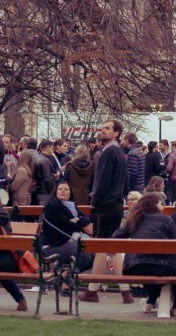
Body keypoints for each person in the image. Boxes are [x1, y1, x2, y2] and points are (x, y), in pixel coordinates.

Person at [79, 120, 133, 304]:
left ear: (117, 133)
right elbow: (125, 180)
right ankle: (125, 291)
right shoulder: (119, 151)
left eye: (107, 128)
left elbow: (101, 180)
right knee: (114, 249)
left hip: (105, 205)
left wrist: (94, 201)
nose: (103, 130)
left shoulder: (109, 152)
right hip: (116, 204)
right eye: (103, 128)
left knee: (101, 248)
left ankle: (92, 290)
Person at [113, 193, 176, 312]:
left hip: (136, 268)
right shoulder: (166, 220)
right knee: (168, 268)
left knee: (149, 266)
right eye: (160, 204)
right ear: (154, 205)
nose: (163, 207)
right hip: (161, 267)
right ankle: (173, 305)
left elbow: (115, 238)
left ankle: (151, 300)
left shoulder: (135, 220)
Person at [41, 182, 94, 273]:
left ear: (70, 194)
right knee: (84, 254)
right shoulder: (52, 207)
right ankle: (66, 279)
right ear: (56, 192)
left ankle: (65, 277)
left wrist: (77, 221)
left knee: (93, 255)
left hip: (67, 242)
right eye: (60, 189)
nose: (63, 191)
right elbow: (70, 226)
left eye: (66, 189)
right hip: (53, 246)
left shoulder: (72, 206)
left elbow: (86, 220)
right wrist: (77, 222)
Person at [33, 140, 55, 205]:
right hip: (45, 193)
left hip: (40, 190)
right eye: (52, 148)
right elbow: (47, 179)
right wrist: (53, 191)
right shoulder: (45, 160)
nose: (53, 151)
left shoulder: (38, 158)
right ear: (47, 148)